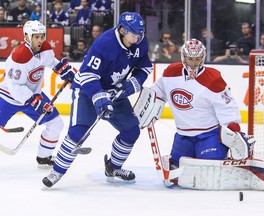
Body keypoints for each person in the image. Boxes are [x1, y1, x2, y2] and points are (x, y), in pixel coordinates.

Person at [42, 11, 153, 188]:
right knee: (78, 133)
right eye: (134, 34)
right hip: (87, 91)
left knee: (132, 132)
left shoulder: (140, 43)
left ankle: (113, 167)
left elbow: (145, 68)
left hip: (114, 92)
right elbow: (87, 75)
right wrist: (99, 98)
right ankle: (57, 171)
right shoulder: (105, 43)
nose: (138, 38)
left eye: (141, 34)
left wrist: (133, 84)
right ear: (122, 29)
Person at [150, 39, 256, 185]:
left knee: (211, 166)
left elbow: (227, 107)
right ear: (183, 57)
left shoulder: (213, 79)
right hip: (183, 136)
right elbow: (157, 92)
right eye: (190, 59)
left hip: (209, 135)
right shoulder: (170, 73)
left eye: (197, 59)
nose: (193, 63)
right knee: (177, 166)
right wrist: (149, 106)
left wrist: (233, 129)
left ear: (203, 58)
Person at [0, 20, 75, 167]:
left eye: (42, 36)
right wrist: (34, 99)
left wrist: (61, 68)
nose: (40, 40)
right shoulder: (19, 56)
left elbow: (49, 61)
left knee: (56, 123)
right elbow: (14, 86)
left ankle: (44, 157)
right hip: (7, 97)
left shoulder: (45, 49)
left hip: (33, 96)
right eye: (37, 37)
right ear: (27, 37)